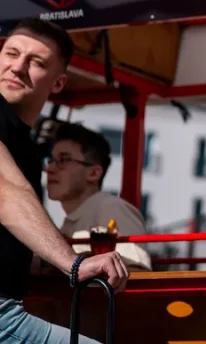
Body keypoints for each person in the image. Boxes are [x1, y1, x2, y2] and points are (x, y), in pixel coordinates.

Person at [0, 18, 128, 343]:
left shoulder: (24, 146)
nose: (16, 67)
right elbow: (6, 191)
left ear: (57, 84)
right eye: (10, 53)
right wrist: (72, 263)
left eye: (36, 62)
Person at [45, 121, 151, 270]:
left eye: (64, 160)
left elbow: (136, 274)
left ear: (94, 173)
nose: (49, 169)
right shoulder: (72, 220)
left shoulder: (110, 208)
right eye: (50, 160)